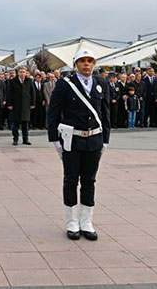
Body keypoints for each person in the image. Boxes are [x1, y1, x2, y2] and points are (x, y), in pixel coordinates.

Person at [47, 49, 110, 241]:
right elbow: (53, 112)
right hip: (72, 140)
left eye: (90, 61)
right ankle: (72, 222)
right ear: (76, 64)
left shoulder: (102, 83)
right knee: (71, 180)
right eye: (82, 61)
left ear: (94, 64)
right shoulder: (65, 84)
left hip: (94, 139)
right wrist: (55, 140)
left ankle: (86, 222)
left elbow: (106, 112)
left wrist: (105, 139)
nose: (87, 64)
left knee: (89, 181)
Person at [6, 67, 36, 145]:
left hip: (26, 106)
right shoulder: (13, 81)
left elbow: (32, 93)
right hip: (16, 106)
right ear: (18, 73)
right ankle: (15, 139)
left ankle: (25, 139)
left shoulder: (29, 81)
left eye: (24, 72)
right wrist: (9, 104)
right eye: (21, 72)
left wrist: (32, 103)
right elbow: (9, 93)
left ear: (26, 73)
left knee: (25, 124)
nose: (22, 73)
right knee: (15, 124)